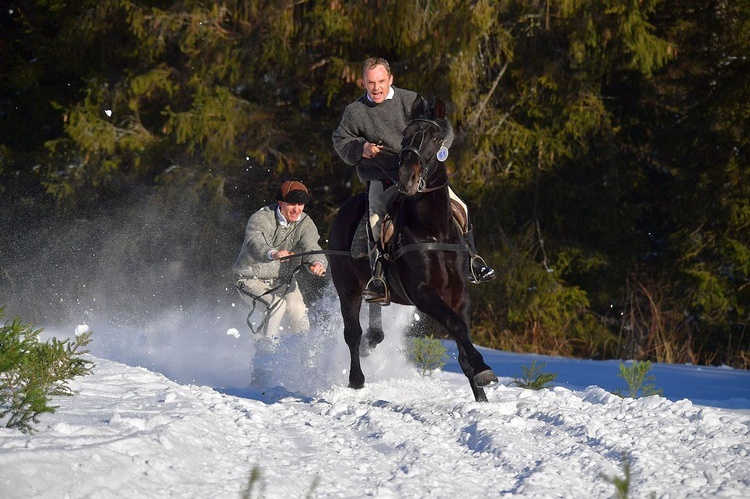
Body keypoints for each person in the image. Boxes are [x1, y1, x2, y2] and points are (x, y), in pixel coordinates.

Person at [332, 56, 495, 304]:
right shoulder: (355, 112)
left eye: (381, 81)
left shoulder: (411, 100)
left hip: (420, 177)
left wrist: (441, 148)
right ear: (363, 82)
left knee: (460, 207)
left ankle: (472, 260)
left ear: (390, 80)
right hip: (383, 178)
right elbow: (340, 140)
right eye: (370, 82)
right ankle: (378, 279)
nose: (376, 88)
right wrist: (360, 148)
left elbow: (442, 126)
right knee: (375, 222)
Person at [233, 180, 327, 340]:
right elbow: (255, 243)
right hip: (249, 279)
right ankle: (266, 356)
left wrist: (318, 262)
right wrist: (273, 253)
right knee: (276, 306)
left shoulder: (305, 223)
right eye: (292, 204)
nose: (297, 209)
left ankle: (304, 358)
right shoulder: (261, 217)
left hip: (284, 281)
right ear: (281, 202)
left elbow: (312, 246)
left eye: (301, 204)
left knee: (298, 310)